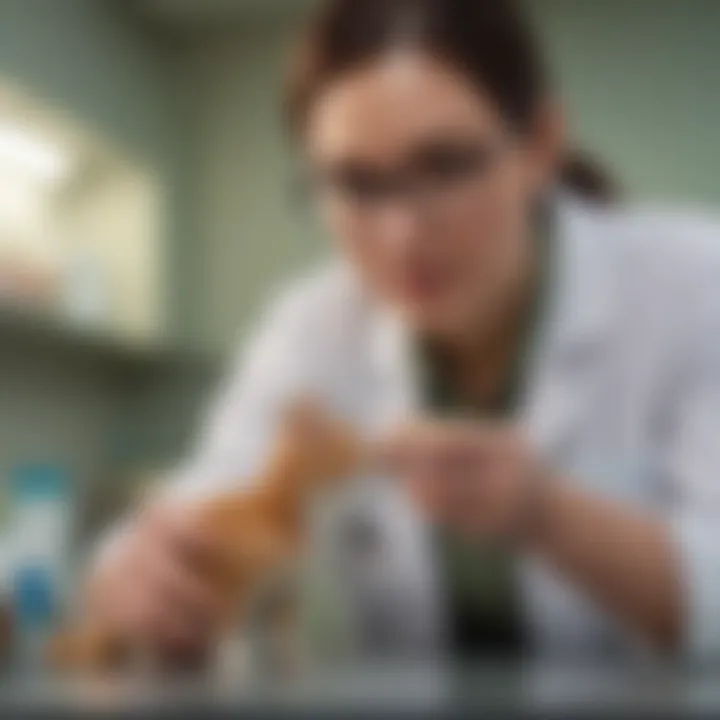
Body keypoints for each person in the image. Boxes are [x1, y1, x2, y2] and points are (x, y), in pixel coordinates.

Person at [84, 0, 720, 666]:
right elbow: (205, 496)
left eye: (445, 166)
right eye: (357, 184)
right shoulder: (312, 326)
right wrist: (136, 572)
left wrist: (545, 515)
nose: (402, 234)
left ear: (540, 145)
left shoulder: (692, 286)